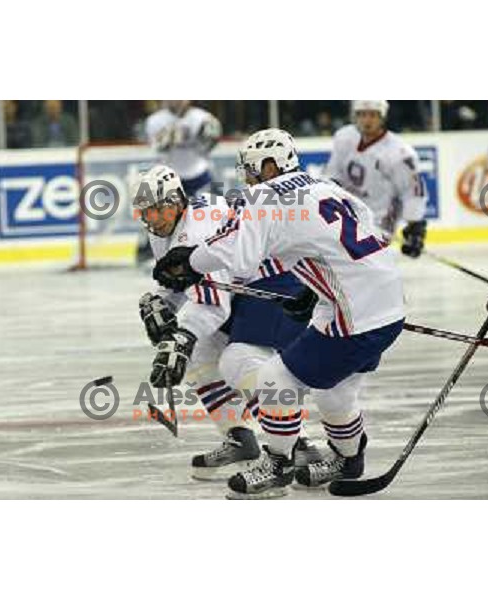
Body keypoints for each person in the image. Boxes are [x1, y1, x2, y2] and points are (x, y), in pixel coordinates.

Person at [153, 128, 406, 499]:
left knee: (274, 379)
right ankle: (349, 461)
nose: (248, 177)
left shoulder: (264, 195)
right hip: (387, 302)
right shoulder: (326, 187)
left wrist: (188, 260)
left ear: (271, 165)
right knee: (336, 392)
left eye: (252, 169)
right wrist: (313, 285)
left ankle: (277, 465)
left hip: (352, 314)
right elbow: (362, 232)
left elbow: (238, 254)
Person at [133, 165, 320, 481]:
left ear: (175, 201)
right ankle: (241, 439)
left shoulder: (197, 228)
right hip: (242, 290)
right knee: (198, 355)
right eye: (145, 213)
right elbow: (176, 280)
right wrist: (159, 302)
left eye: (155, 210)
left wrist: (180, 336)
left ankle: (295, 445)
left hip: (275, 286)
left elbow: (212, 307)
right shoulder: (166, 227)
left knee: (241, 362)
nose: (150, 219)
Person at [325, 100, 428, 255]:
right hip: (347, 219)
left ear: (382, 117)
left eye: (373, 115)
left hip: (378, 224)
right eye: (362, 115)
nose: (367, 120)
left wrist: (415, 228)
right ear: (355, 116)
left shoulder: (399, 153)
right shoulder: (344, 138)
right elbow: (333, 175)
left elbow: (413, 192)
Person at [136, 101, 222, 264]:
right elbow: (157, 148)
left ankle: (216, 248)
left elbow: (208, 146)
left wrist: (207, 137)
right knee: (158, 215)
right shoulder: (155, 120)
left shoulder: (202, 117)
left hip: (199, 174)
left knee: (218, 213)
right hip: (169, 178)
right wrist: (166, 139)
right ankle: (149, 253)